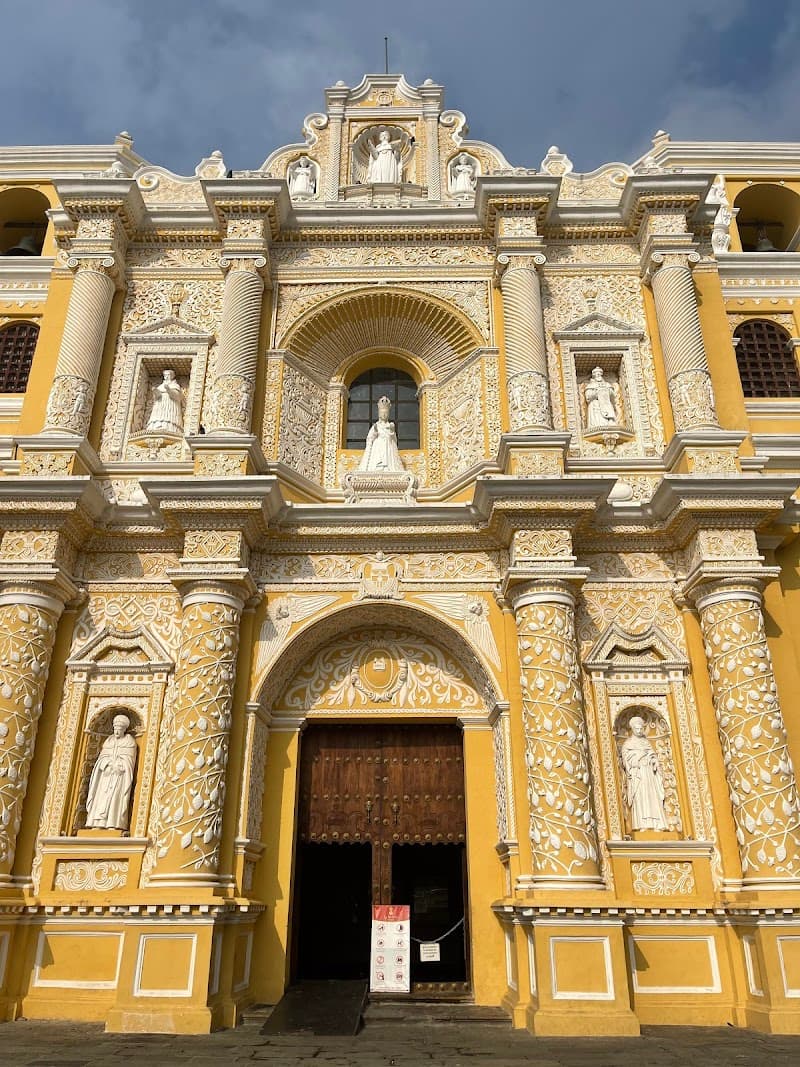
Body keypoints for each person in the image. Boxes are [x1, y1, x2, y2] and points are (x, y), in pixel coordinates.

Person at [85, 714, 137, 830]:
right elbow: (101, 758)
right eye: (115, 729)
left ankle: (113, 824)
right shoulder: (108, 741)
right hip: (106, 775)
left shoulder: (129, 742)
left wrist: (120, 765)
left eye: (119, 729)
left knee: (115, 800)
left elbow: (129, 761)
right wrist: (106, 764)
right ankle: (97, 823)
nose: (117, 732)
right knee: (101, 798)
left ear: (124, 729)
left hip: (119, 776)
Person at [621, 716, 668, 831]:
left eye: (641, 728)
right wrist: (638, 758)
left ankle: (657, 824)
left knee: (653, 798)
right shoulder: (628, 743)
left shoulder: (646, 742)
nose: (639, 731)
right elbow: (626, 759)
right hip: (638, 775)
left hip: (649, 774)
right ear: (632, 729)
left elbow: (653, 756)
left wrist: (654, 761)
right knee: (641, 798)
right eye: (637, 729)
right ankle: (642, 824)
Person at [358, 395, 405, 472]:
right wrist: (375, 433)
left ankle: (387, 467)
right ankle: (378, 466)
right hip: (378, 446)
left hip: (388, 447)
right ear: (379, 414)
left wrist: (392, 431)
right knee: (378, 458)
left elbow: (394, 440)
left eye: (386, 413)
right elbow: (369, 439)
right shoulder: (376, 426)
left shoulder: (390, 425)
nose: (384, 415)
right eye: (382, 413)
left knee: (388, 457)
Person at [146, 368, 184, 434]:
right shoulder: (161, 386)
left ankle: (169, 427)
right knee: (158, 416)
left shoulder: (175, 385)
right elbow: (156, 397)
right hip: (160, 405)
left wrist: (169, 390)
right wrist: (155, 391)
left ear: (172, 376)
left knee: (168, 416)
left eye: (168, 375)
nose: (166, 377)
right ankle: (156, 426)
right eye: (165, 375)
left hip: (170, 404)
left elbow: (177, 396)